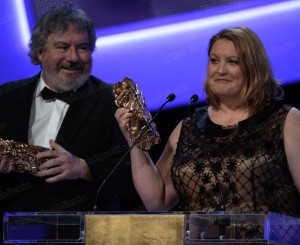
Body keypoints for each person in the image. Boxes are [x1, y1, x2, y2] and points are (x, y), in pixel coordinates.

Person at [115, 26, 300, 237]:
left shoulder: (285, 121)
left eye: (233, 61)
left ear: (253, 67)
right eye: (214, 60)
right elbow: (158, 200)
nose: (220, 70)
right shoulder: (188, 128)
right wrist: (135, 143)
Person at [0, 3, 138, 219]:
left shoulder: (115, 100)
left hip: (88, 231)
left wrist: (84, 168)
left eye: (82, 48)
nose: (73, 57)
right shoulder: (5, 97)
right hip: (14, 229)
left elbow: (136, 172)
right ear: (40, 52)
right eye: (62, 47)